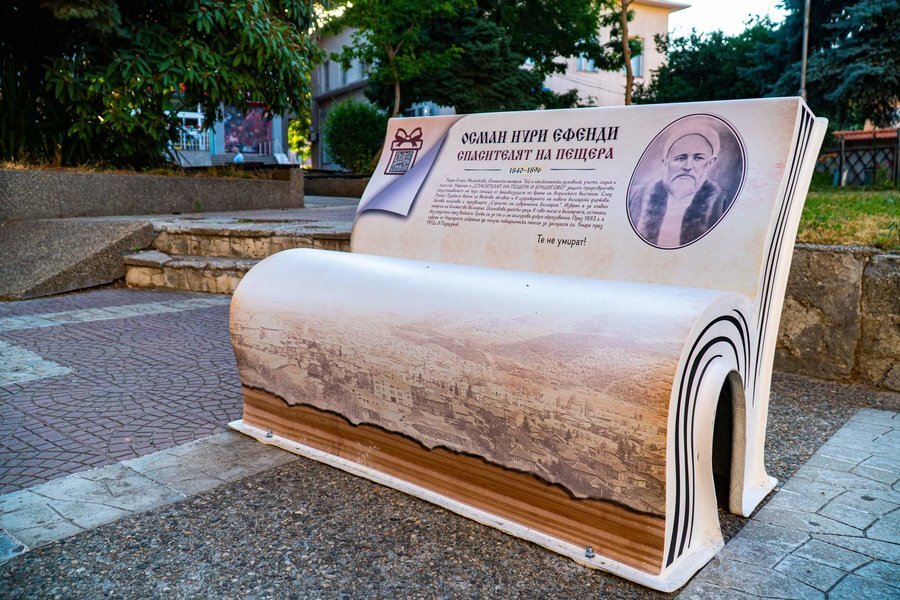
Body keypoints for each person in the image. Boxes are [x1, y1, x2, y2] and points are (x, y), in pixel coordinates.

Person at [629, 125, 733, 248]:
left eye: (698, 158)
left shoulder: (722, 202)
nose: (688, 167)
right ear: (665, 162)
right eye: (680, 158)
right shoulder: (635, 196)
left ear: (710, 163)